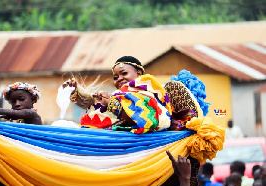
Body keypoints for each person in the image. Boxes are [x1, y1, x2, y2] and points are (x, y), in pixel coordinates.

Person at [64, 56, 201, 134]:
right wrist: (76, 92)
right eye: (115, 77)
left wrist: (111, 104)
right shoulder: (117, 95)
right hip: (101, 139)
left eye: (124, 73)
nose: (119, 79)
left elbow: (147, 120)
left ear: (139, 74)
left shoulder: (148, 92)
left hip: (129, 144)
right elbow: (93, 112)